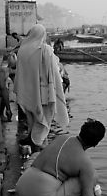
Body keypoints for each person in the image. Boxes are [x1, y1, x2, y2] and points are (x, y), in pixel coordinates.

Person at [16, 119, 106, 196]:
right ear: (96, 143)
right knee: (91, 178)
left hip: (22, 189)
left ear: (81, 131)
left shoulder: (62, 138)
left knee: (69, 174)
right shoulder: (85, 163)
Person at [14, 24, 69, 152]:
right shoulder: (45, 49)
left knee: (32, 118)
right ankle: (39, 145)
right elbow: (54, 71)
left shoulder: (22, 49)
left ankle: (36, 141)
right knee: (44, 118)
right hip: (44, 91)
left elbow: (20, 72)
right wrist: (58, 86)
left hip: (26, 91)